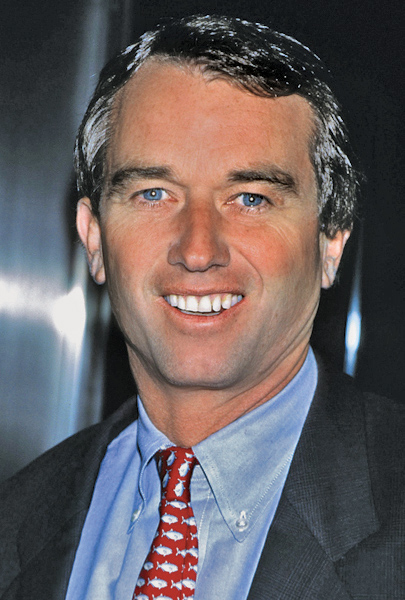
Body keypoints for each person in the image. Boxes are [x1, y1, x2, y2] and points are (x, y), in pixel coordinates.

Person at [0, 14, 403, 600]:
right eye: (154, 193)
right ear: (93, 238)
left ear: (330, 241)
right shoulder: (15, 523)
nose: (197, 249)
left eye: (249, 198)